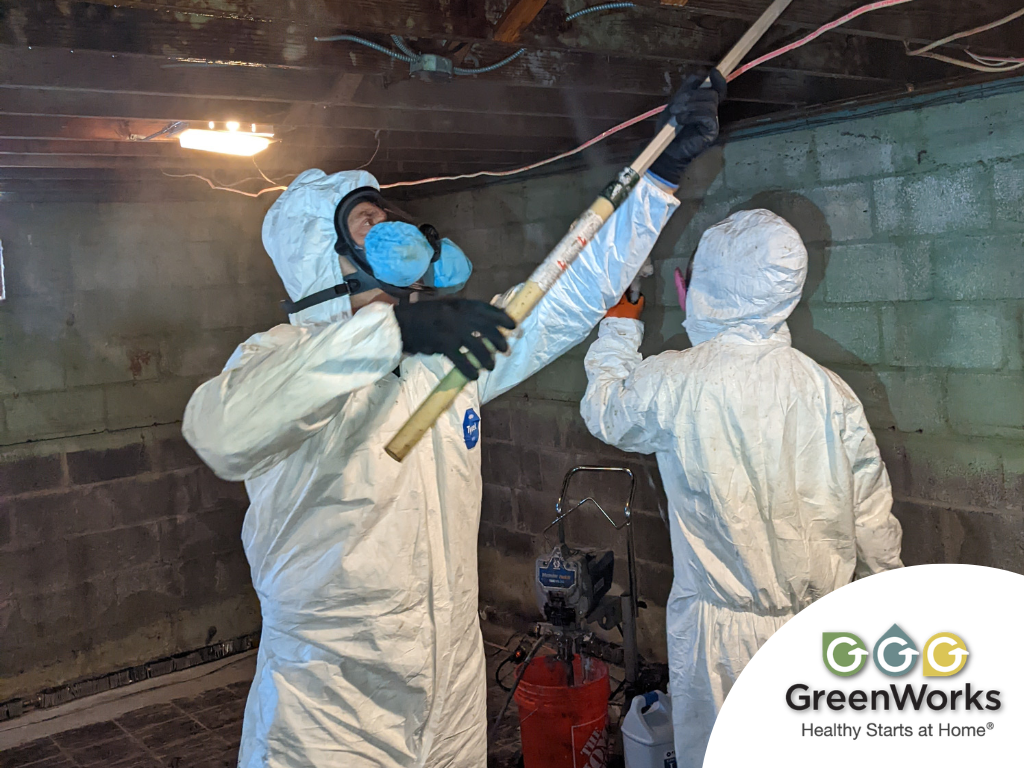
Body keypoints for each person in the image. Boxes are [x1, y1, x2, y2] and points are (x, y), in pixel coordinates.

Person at [181, 73, 725, 768]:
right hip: (332, 712)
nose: (396, 230)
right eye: (369, 222)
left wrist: (662, 174)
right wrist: (390, 333)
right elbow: (218, 431)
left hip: (451, 690)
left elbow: (562, 297)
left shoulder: (440, 364)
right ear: (328, 255)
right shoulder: (283, 358)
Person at [580, 207, 903, 767]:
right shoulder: (828, 390)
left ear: (703, 287)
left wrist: (620, 326)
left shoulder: (676, 379)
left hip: (719, 639)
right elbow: (873, 521)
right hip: (821, 629)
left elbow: (606, 411)